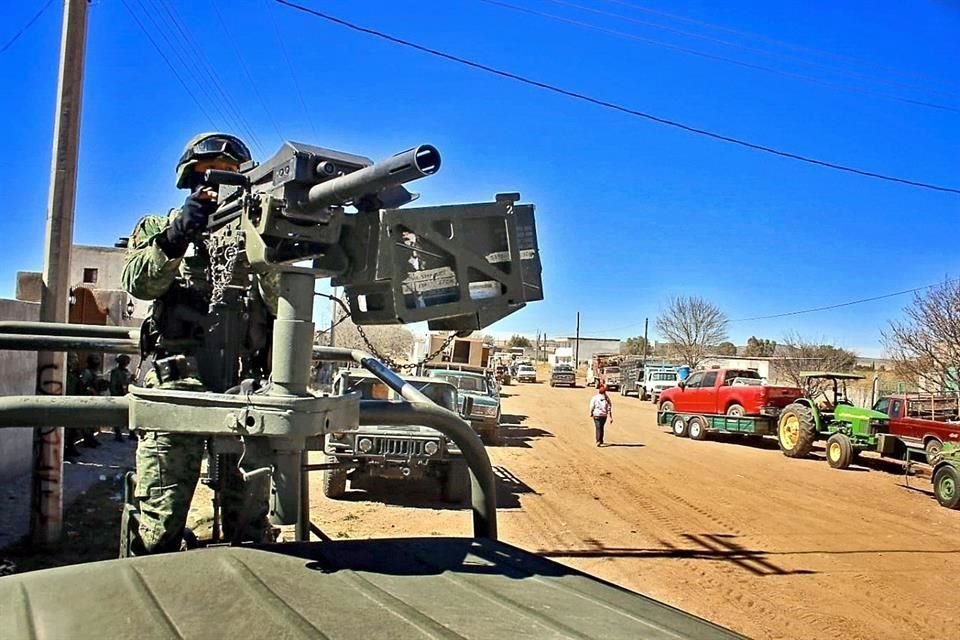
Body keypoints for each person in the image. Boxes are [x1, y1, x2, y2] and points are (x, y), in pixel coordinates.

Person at [121, 132, 278, 554]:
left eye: (232, 177)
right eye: (211, 175)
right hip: (178, 386)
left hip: (243, 387)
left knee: (249, 521)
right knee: (160, 519)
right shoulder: (160, 227)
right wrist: (177, 236)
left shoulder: (258, 236)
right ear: (190, 179)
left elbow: (281, 302)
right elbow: (139, 282)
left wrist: (274, 245)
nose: (221, 184)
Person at [78, 354, 105, 448]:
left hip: (97, 398)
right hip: (89, 399)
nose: (98, 361)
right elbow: (83, 385)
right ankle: (88, 439)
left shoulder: (97, 371)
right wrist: (90, 390)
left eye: (98, 359)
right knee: (87, 421)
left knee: (94, 420)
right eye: (95, 359)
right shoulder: (87, 372)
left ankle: (92, 438)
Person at [109, 354, 134, 441]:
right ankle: (118, 434)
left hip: (126, 395)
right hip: (118, 396)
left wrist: (131, 379)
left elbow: (127, 382)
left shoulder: (126, 371)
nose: (127, 363)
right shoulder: (115, 372)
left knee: (129, 415)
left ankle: (132, 433)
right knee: (117, 417)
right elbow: (113, 385)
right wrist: (115, 395)